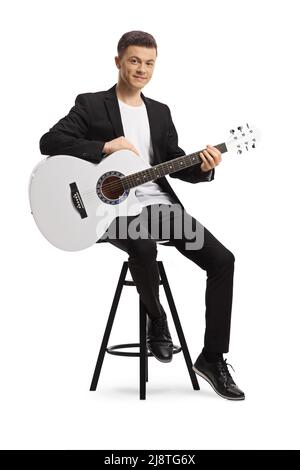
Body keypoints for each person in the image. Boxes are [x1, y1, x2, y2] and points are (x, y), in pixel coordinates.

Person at [39, 30, 245, 401]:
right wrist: (103, 146)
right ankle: (157, 319)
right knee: (142, 244)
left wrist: (205, 167)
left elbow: (174, 163)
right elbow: (49, 142)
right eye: (134, 61)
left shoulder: (160, 112)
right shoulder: (90, 105)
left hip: (160, 209)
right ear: (118, 61)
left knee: (222, 260)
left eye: (149, 63)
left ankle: (213, 359)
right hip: (107, 212)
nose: (142, 69)